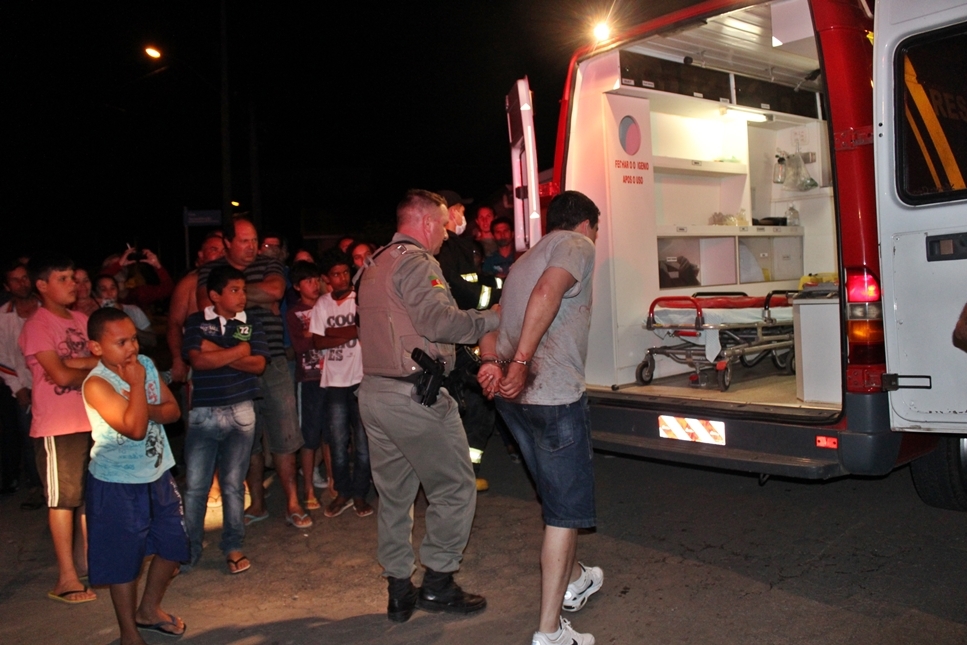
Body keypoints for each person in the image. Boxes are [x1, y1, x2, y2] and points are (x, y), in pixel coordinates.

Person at [356, 189, 499, 623]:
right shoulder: (417, 262)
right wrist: (496, 315)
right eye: (442, 224)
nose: (446, 232)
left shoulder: (375, 262)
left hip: (376, 393)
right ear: (424, 223)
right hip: (414, 395)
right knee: (455, 489)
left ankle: (400, 591)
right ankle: (437, 584)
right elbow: (439, 322)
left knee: (395, 497)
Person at [477, 191, 603, 645]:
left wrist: (491, 362)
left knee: (554, 498)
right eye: (597, 228)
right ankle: (550, 633)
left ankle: (574, 580)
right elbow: (550, 294)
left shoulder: (522, 261)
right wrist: (522, 362)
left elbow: (493, 319)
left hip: (514, 401)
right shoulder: (577, 244)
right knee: (565, 513)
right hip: (550, 396)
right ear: (586, 223)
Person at [82, 308, 187, 642]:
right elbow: (135, 428)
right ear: (96, 348)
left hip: (157, 474)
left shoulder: (145, 367)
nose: (132, 348)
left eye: (134, 339)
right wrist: (138, 387)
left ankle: (148, 609)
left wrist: (142, 397)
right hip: (116, 484)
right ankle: (129, 632)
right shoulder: (96, 384)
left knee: (173, 545)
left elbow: (172, 411)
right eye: (121, 342)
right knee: (124, 560)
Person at [197, 218, 309, 529]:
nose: (251, 247)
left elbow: (275, 291)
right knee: (247, 439)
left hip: (272, 360)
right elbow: (207, 308)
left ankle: (293, 502)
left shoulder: (269, 264)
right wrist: (253, 295)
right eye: (244, 241)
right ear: (229, 242)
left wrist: (233, 293)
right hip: (234, 366)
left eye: (253, 240)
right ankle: (257, 502)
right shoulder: (210, 270)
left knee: (286, 434)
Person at [19, 254, 99, 604]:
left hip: (91, 419)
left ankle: (90, 565)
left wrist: (74, 363)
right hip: (58, 424)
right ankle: (66, 577)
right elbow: (62, 375)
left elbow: (106, 360)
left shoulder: (82, 319)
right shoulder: (37, 324)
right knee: (63, 500)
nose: (74, 284)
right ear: (42, 285)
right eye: (64, 278)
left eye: (74, 277)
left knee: (87, 498)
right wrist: (88, 366)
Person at [182, 265, 269, 574]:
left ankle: (232, 546)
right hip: (204, 413)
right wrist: (237, 351)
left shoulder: (252, 323)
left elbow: (258, 364)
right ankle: (189, 548)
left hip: (242, 411)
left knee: (233, 485)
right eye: (234, 290)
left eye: (243, 289)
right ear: (215, 295)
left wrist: (216, 352)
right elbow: (197, 360)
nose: (242, 296)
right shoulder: (196, 322)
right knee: (195, 486)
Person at [436, 189, 499, 491]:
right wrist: (495, 296)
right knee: (467, 405)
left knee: (476, 405)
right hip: (458, 340)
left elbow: (475, 279)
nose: (463, 217)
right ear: (448, 212)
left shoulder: (459, 245)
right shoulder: (445, 248)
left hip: (467, 335)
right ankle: (458, 476)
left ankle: (467, 473)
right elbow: (459, 289)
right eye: (460, 211)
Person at [309, 249, 372, 518]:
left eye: (345, 272)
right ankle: (342, 492)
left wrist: (335, 333)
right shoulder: (322, 304)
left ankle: (360, 494)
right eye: (336, 274)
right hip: (334, 381)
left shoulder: (361, 299)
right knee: (336, 441)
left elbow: (364, 329)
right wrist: (350, 332)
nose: (343, 277)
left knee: (363, 442)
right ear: (327, 278)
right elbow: (318, 341)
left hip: (361, 378)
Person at [285, 260, 329, 511]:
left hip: (333, 376)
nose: (315, 285)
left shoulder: (329, 304)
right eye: (308, 281)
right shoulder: (294, 312)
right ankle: (309, 489)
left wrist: (313, 334)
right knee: (309, 436)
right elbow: (301, 346)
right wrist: (321, 333)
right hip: (309, 379)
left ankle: (334, 483)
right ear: (297, 286)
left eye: (316, 279)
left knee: (332, 434)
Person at [0, 260, 42, 508]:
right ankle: (37, 485)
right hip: (24, 387)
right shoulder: (3, 318)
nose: (22, 283)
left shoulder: (46, 310)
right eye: (15, 279)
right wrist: (19, 388)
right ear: (7, 285)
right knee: (30, 438)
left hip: (52, 384)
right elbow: (3, 359)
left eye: (25, 277)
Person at [93, 274, 157, 348]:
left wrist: (131, 328)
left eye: (113, 288)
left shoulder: (133, 310)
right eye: (103, 289)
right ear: (95, 294)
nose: (109, 293)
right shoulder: (92, 316)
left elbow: (152, 341)